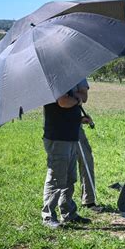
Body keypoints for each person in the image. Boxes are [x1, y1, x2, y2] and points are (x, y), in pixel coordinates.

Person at [41, 88, 91, 229]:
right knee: (56, 179)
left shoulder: (65, 81)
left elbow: (66, 111)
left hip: (69, 136)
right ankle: (48, 216)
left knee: (69, 178)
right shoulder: (54, 83)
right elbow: (63, 102)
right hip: (58, 137)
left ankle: (68, 213)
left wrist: (80, 119)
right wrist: (77, 99)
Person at [73, 79, 101, 211]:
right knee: (63, 169)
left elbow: (84, 97)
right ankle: (61, 207)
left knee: (86, 159)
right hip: (57, 131)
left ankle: (88, 200)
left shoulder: (76, 73)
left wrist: (74, 99)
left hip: (75, 128)